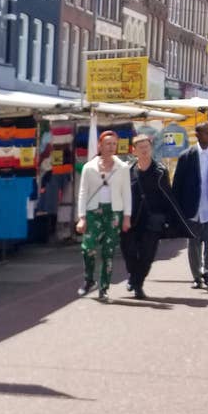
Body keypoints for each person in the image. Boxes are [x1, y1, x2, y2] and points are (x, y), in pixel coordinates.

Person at [75, 129, 131, 300]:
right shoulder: (88, 167)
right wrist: (82, 217)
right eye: (108, 143)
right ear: (100, 145)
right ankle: (89, 279)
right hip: (94, 211)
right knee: (88, 248)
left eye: (114, 144)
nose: (111, 147)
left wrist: (127, 217)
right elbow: (83, 192)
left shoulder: (122, 167)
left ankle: (103, 287)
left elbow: (126, 193)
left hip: (114, 212)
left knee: (108, 251)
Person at [121, 133, 174, 300]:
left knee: (147, 254)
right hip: (131, 217)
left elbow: (167, 195)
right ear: (134, 150)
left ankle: (138, 284)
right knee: (128, 250)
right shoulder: (128, 170)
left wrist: (167, 218)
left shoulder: (160, 171)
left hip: (153, 219)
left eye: (147, 147)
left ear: (151, 148)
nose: (144, 150)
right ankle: (133, 275)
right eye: (141, 148)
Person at [172, 120, 208, 290]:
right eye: (207, 132)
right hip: (191, 210)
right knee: (193, 245)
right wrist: (177, 212)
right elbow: (177, 185)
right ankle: (196, 277)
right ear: (197, 135)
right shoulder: (186, 156)